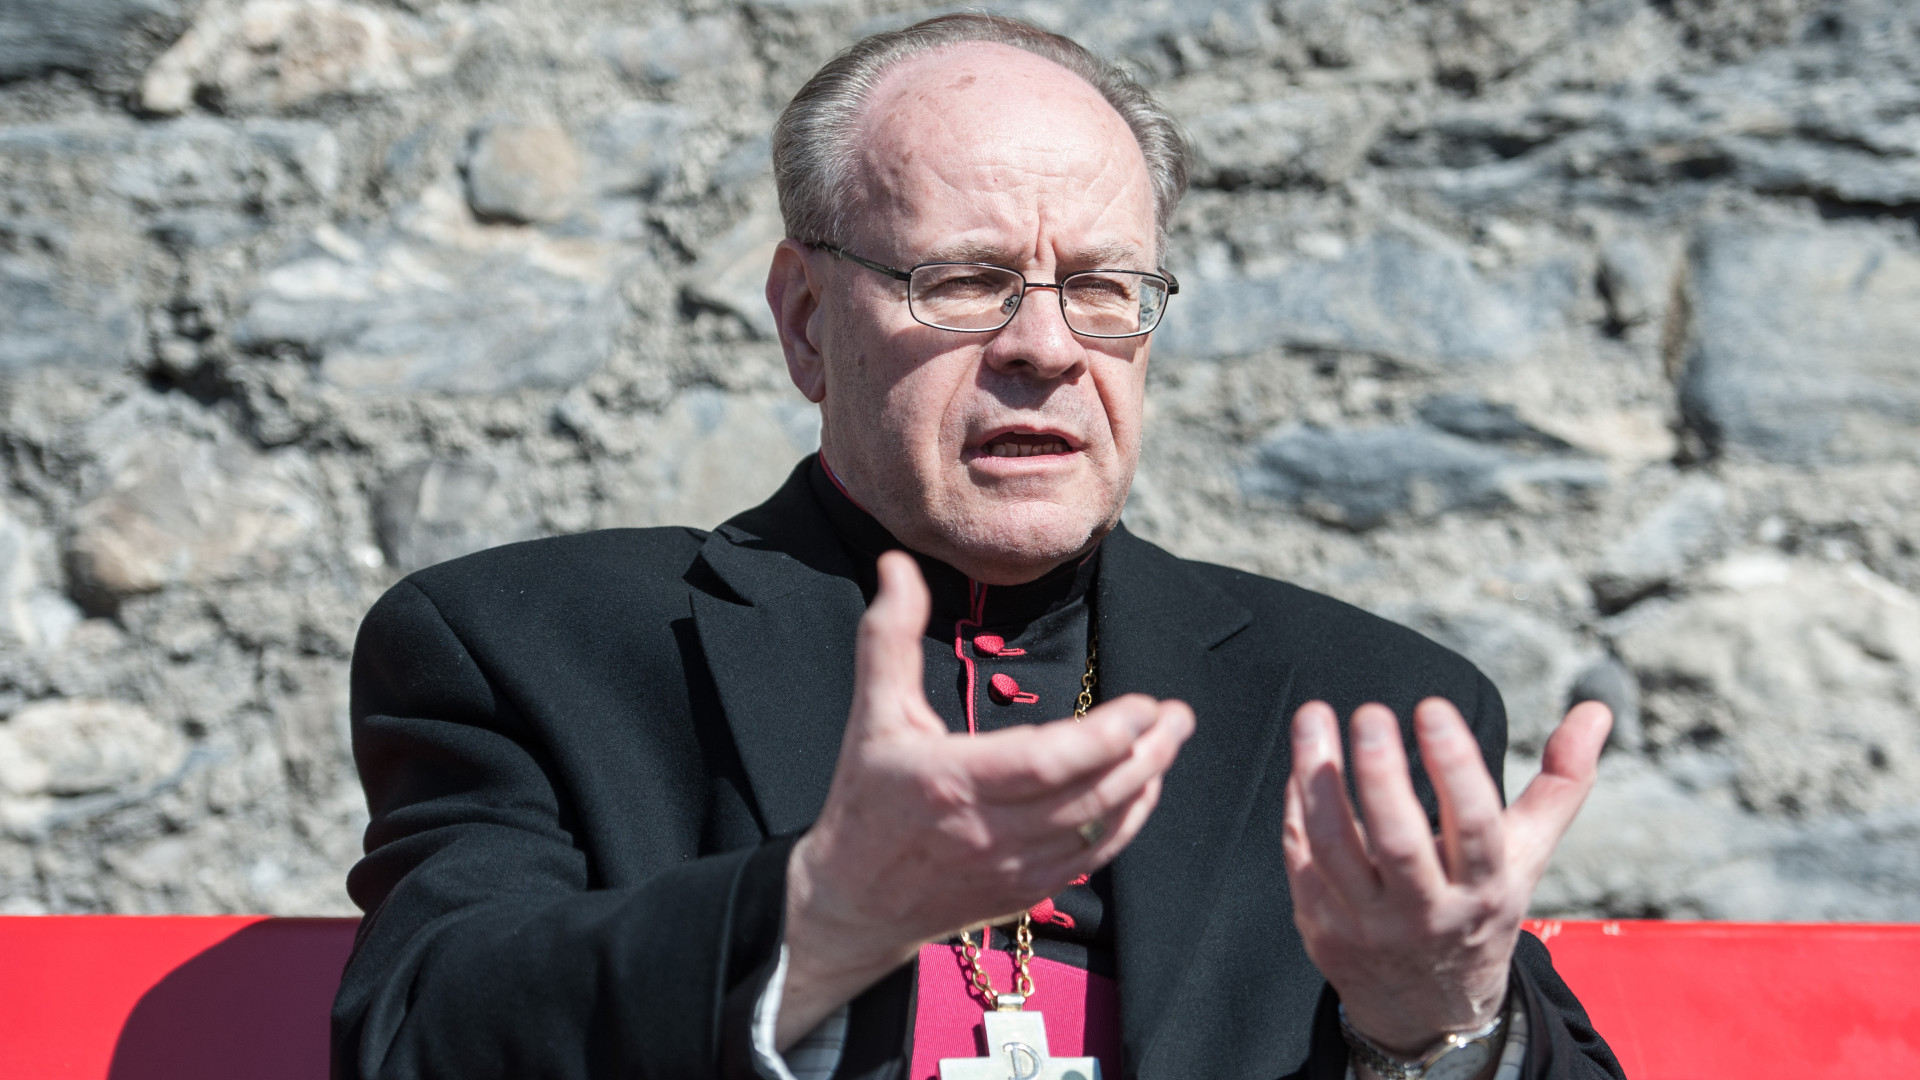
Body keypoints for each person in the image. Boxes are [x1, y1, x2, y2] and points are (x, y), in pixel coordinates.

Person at [332, 14, 1622, 1080]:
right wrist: (819, 922)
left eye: (1106, 289)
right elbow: (420, 1040)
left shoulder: (1363, 702)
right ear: (804, 322)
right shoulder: (533, 649)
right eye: (964, 279)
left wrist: (1437, 1026)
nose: (1047, 347)